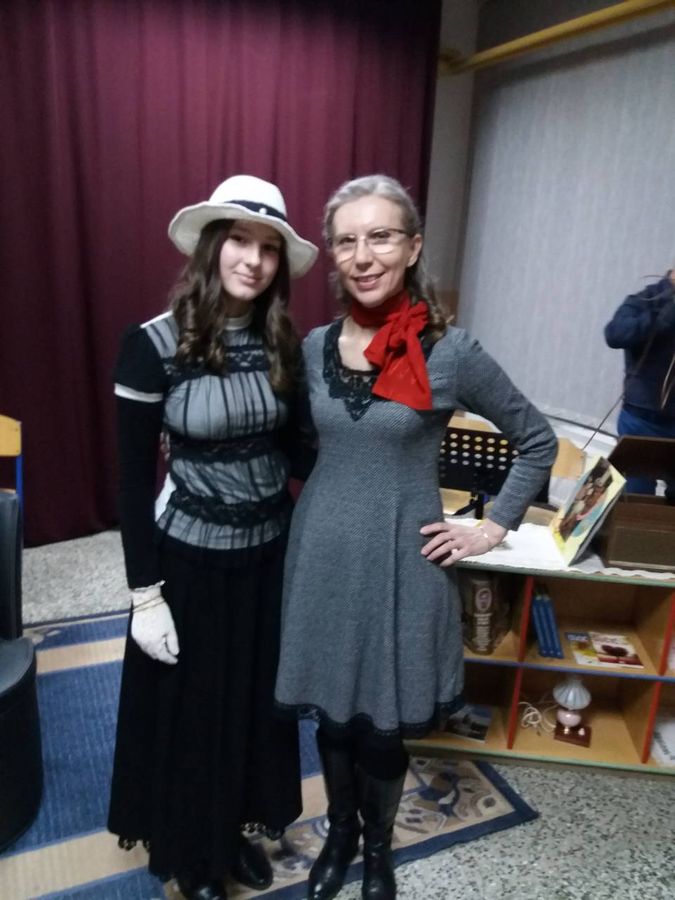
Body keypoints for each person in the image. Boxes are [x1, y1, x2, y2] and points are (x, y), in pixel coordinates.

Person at [274, 174, 558, 900]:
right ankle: (338, 835)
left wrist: (490, 527)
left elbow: (536, 441)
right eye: (346, 240)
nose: (363, 255)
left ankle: (376, 851)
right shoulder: (312, 347)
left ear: (412, 246)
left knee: (381, 726)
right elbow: (298, 445)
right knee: (332, 717)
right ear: (332, 254)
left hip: (404, 561)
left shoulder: (452, 351)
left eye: (380, 236)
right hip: (321, 554)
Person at [108, 175, 318, 900]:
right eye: (239, 240)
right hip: (189, 562)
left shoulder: (283, 342)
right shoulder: (152, 346)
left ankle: (230, 833)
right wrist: (144, 595)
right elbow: (131, 483)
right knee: (193, 715)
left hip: (267, 557)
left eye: (269, 248)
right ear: (210, 247)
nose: (253, 260)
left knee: (252, 706)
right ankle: (191, 855)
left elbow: (298, 453)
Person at [604, 270, 675, 498]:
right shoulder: (644, 300)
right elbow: (614, 335)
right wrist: (660, 319)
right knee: (636, 502)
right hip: (641, 422)